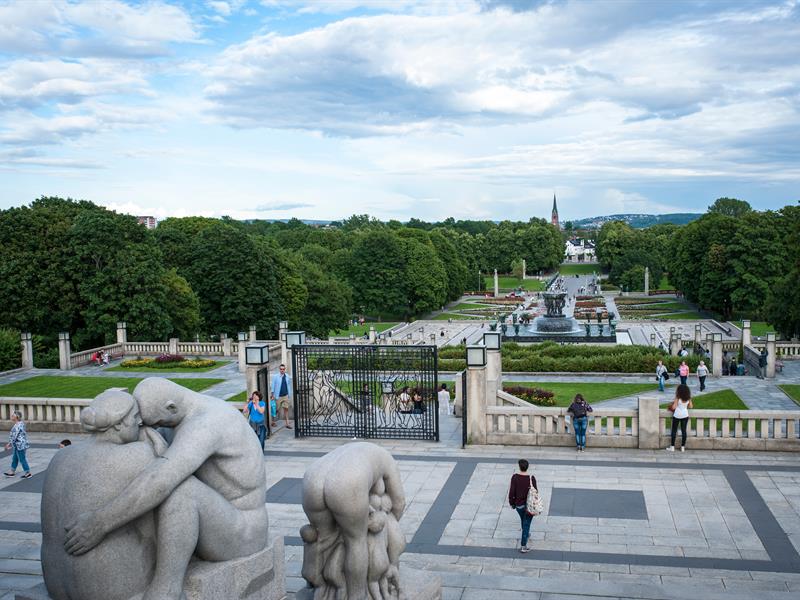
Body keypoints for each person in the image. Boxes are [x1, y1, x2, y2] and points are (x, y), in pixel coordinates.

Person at [64, 378, 269, 600]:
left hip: (243, 530)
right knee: (151, 490)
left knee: (181, 491)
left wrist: (101, 522)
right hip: (215, 516)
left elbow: (161, 480)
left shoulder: (209, 423)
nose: (155, 428)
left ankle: (167, 589)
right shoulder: (179, 416)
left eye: (158, 423)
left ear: (171, 408)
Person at [508, 459, 537, 553]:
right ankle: (523, 545)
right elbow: (536, 492)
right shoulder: (531, 478)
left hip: (519, 506)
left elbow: (512, 492)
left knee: (523, 520)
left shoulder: (515, 477)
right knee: (526, 523)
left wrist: (512, 503)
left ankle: (526, 533)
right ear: (527, 467)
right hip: (530, 506)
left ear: (519, 467)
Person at [4, 410, 31, 479]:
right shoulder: (19, 424)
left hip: (20, 445)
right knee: (15, 458)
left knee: (22, 459)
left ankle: (28, 473)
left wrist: (9, 444)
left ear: (17, 417)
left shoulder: (18, 425)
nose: (11, 416)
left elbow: (14, 436)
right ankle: (12, 472)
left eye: (13, 415)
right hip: (18, 445)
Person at [666, 384, 692, 452]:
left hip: (677, 415)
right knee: (684, 431)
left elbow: (674, 407)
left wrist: (671, 406)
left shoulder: (678, 397)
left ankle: (672, 447)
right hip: (685, 415)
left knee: (674, 431)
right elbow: (691, 406)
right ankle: (683, 447)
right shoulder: (688, 397)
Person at [270, 363, 293, 429]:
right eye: (281, 369)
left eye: (283, 369)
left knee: (286, 409)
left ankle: (287, 423)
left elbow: (288, 385)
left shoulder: (287, 376)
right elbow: (273, 386)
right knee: (275, 410)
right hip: (278, 396)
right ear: (279, 369)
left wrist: (289, 394)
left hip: (285, 396)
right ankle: (272, 421)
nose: (282, 370)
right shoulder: (276, 376)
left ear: (285, 369)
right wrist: (272, 395)